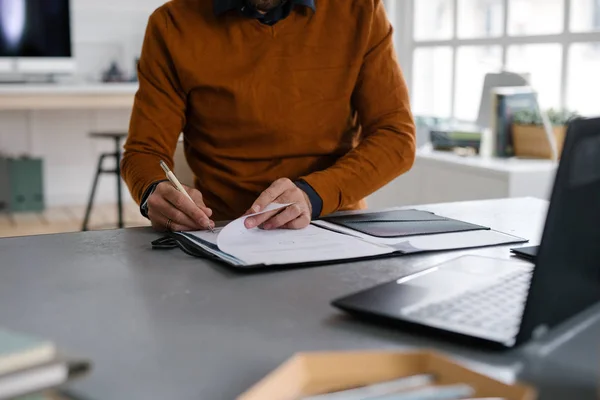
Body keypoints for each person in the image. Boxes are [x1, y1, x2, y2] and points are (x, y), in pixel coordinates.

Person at [121, 0, 416, 233]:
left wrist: (313, 194)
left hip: (335, 222)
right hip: (223, 231)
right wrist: (152, 191)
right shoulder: (171, 25)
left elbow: (396, 137)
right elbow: (144, 151)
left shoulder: (361, 11)